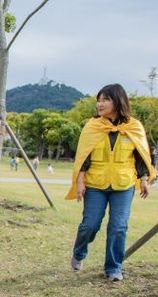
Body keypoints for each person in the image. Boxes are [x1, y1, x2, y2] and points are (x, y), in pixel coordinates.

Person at [66, 83, 155, 281]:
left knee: (118, 227)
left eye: (105, 99)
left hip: (123, 185)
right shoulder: (93, 126)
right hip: (95, 184)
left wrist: (143, 179)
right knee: (90, 225)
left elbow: (141, 156)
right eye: (99, 100)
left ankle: (113, 268)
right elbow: (84, 157)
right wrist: (80, 182)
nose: (100, 104)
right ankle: (79, 253)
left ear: (118, 101)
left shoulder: (134, 126)